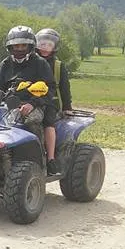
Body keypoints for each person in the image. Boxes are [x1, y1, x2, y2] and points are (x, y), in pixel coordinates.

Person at [0, 25, 56, 159]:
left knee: (31, 121)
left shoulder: (40, 63)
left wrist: (32, 104)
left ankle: (39, 156)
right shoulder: (6, 64)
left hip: (35, 104)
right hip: (9, 104)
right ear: (10, 47)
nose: (20, 49)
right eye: (16, 46)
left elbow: (50, 88)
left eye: (23, 46)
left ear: (30, 46)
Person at [35, 28, 73, 176]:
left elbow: (65, 87)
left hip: (51, 101)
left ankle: (50, 158)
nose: (45, 48)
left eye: (49, 45)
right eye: (42, 44)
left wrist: (67, 106)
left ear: (54, 47)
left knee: (48, 122)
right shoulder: (30, 61)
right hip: (31, 99)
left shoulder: (58, 66)